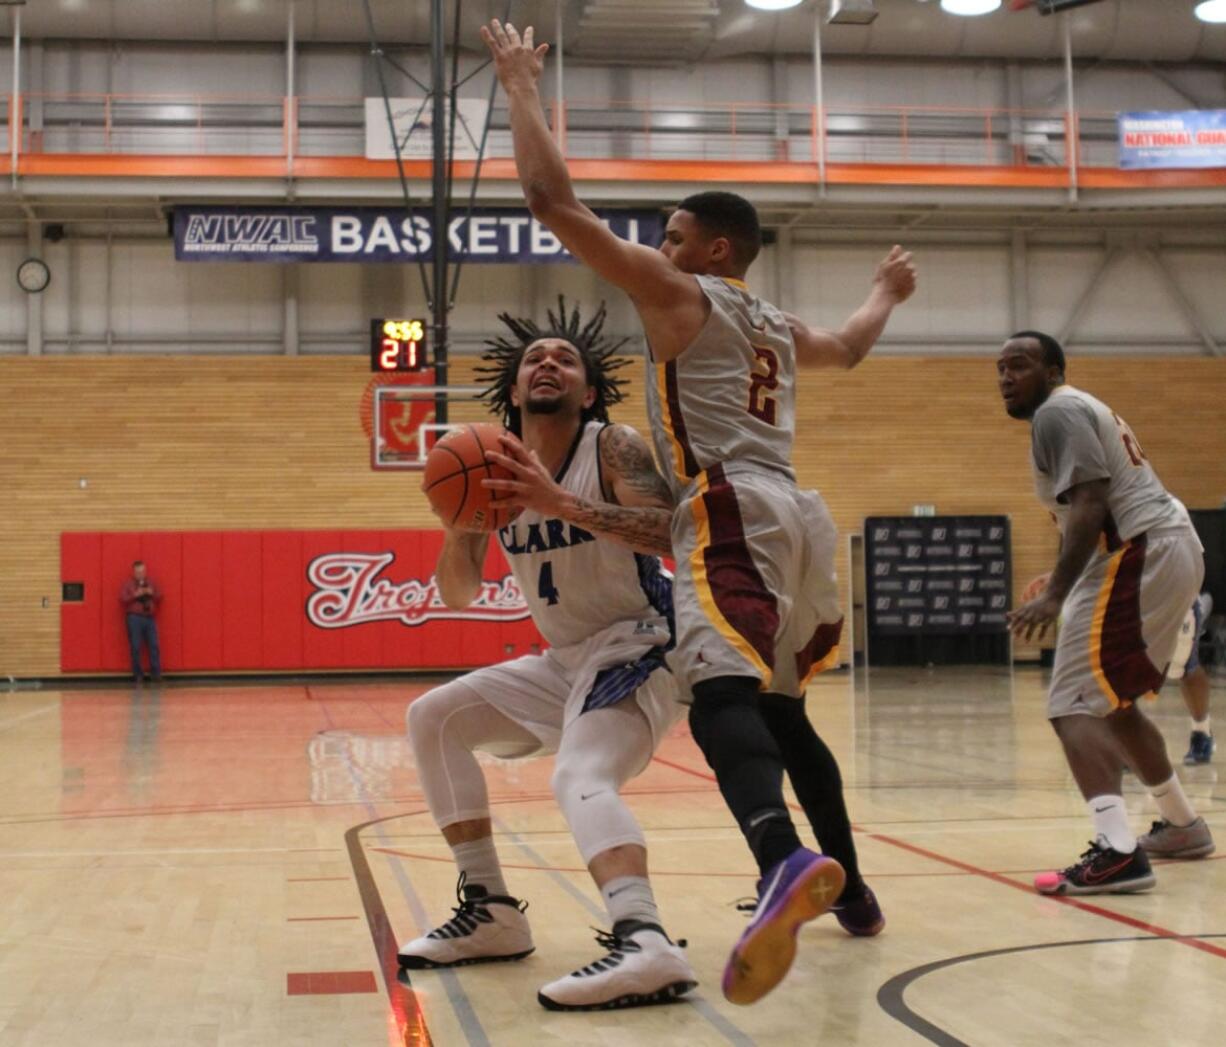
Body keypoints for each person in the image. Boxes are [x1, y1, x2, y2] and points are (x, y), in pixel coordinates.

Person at [482, 19, 916, 1005]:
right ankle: (852, 894)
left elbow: (551, 201)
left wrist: (518, 88)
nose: (656, 248)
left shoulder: (684, 295)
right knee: (779, 710)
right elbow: (847, 348)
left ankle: (779, 860)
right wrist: (884, 291)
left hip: (724, 511)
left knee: (716, 699)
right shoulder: (772, 322)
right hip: (799, 516)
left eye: (671, 235)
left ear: (710, 250)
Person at [398, 301, 698, 1012]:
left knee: (581, 772)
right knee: (433, 718)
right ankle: (495, 912)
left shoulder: (611, 446)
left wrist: (559, 501)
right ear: (513, 388)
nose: (547, 363)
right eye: (535, 356)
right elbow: (459, 591)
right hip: (567, 658)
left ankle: (645, 937)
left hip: (643, 641)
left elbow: (673, 535)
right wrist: (462, 525)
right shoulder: (489, 464)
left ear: (588, 390)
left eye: (565, 357)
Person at [999, 330, 1215, 895]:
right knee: (1113, 705)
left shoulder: (1058, 412)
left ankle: (1119, 853)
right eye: (999, 368)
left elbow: (1093, 501)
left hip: (1140, 549)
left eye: (1019, 365)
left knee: (1072, 701)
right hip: (1160, 546)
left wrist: (1057, 594)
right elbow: (1085, 511)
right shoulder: (1074, 410)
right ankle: (1183, 826)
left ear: (1052, 371)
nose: (1005, 376)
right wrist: (1064, 576)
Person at [1169, 592, 1215, 765]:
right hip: (1131, 593)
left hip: (1173, 592)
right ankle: (1126, 742)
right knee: (1127, 668)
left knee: (1183, 667)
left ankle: (1202, 732)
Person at [119, 560, 161, 684]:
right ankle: (138, 675)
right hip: (134, 618)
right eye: (138, 572)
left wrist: (151, 592)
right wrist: (135, 595)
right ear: (134, 572)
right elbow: (122, 599)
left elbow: (160, 596)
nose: (141, 574)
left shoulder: (151, 583)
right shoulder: (128, 584)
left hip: (149, 618)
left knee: (154, 645)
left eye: (143, 571)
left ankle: (156, 674)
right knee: (136, 646)